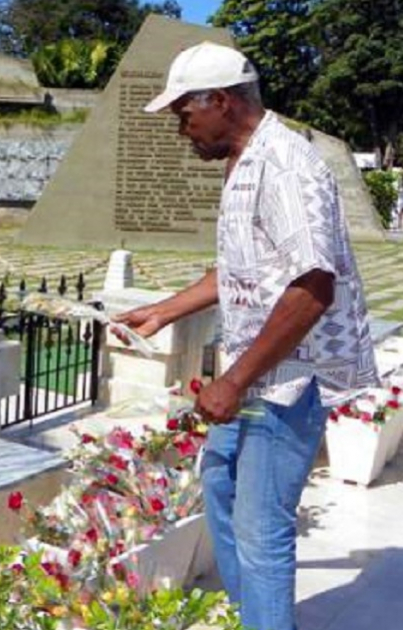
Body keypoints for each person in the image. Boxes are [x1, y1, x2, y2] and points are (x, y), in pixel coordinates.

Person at [120, 41, 379, 630]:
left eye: (186, 113)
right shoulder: (245, 160)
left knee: (263, 532)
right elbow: (240, 269)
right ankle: (251, 616)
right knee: (218, 482)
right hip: (257, 373)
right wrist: (163, 310)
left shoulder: (286, 167)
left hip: (283, 382)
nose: (181, 129)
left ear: (223, 101)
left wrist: (234, 381)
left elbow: (312, 288)